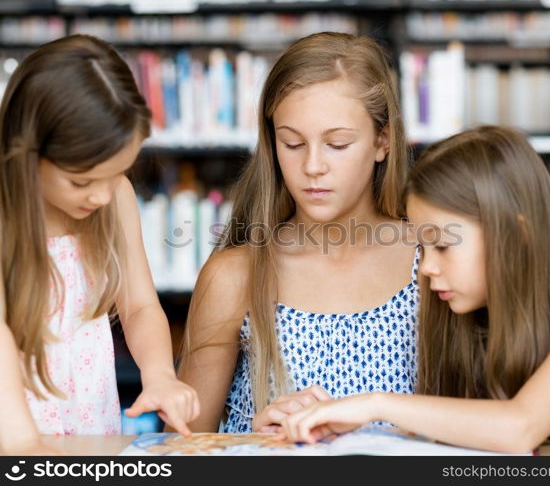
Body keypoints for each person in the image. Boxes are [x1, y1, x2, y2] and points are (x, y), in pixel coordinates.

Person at [279, 126, 550, 453]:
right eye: (423, 248)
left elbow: (521, 427)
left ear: (515, 235)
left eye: (443, 245)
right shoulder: (472, 307)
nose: (426, 269)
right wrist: (318, 421)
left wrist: (374, 403)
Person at [176, 32, 420, 433]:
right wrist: (254, 442)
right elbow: (182, 449)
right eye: (292, 143)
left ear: (382, 140)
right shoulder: (235, 276)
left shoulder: (432, 266)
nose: (312, 166)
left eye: (337, 145)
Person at [0, 34, 199, 455]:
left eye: (119, 172)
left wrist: (160, 373)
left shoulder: (115, 201)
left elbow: (140, 306)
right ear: (26, 156)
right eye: (82, 181)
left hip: (92, 430)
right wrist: (24, 445)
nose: (103, 196)